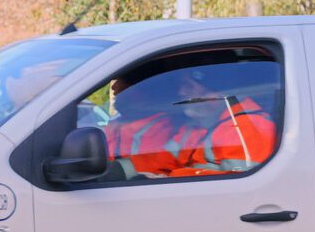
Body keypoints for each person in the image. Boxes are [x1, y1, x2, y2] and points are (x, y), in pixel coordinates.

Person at [105, 69, 277, 179]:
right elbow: (160, 159)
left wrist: (170, 178)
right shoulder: (195, 127)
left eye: (188, 85)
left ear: (216, 90)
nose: (181, 92)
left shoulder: (248, 127)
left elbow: (238, 182)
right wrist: (118, 170)